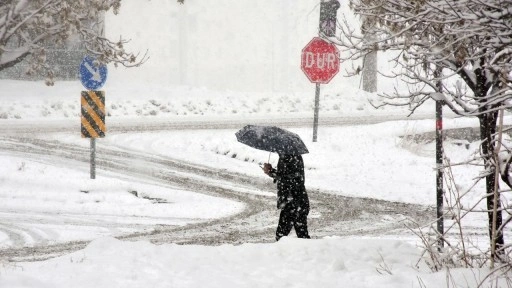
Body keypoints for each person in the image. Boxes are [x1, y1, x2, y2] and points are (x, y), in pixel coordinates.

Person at [263, 154, 310, 241]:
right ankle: (308, 253)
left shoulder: (290, 157)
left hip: (293, 202)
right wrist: (271, 171)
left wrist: (272, 173)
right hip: (297, 200)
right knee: (302, 235)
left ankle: (283, 254)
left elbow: (292, 179)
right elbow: (286, 175)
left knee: (281, 236)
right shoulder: (287, 155)